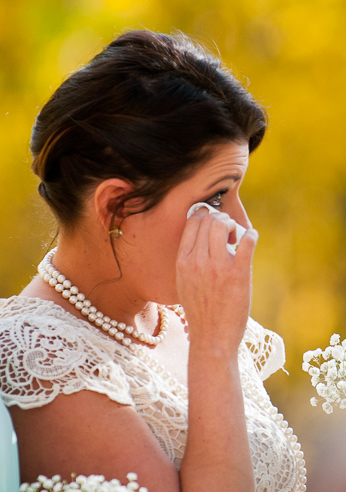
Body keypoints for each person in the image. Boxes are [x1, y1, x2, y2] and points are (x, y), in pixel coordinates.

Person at [0, 30, 305, 491]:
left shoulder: (185, 317)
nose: (243, 227)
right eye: (217, 197)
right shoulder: (40, 359)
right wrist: (214, 351)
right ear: (117, 207)